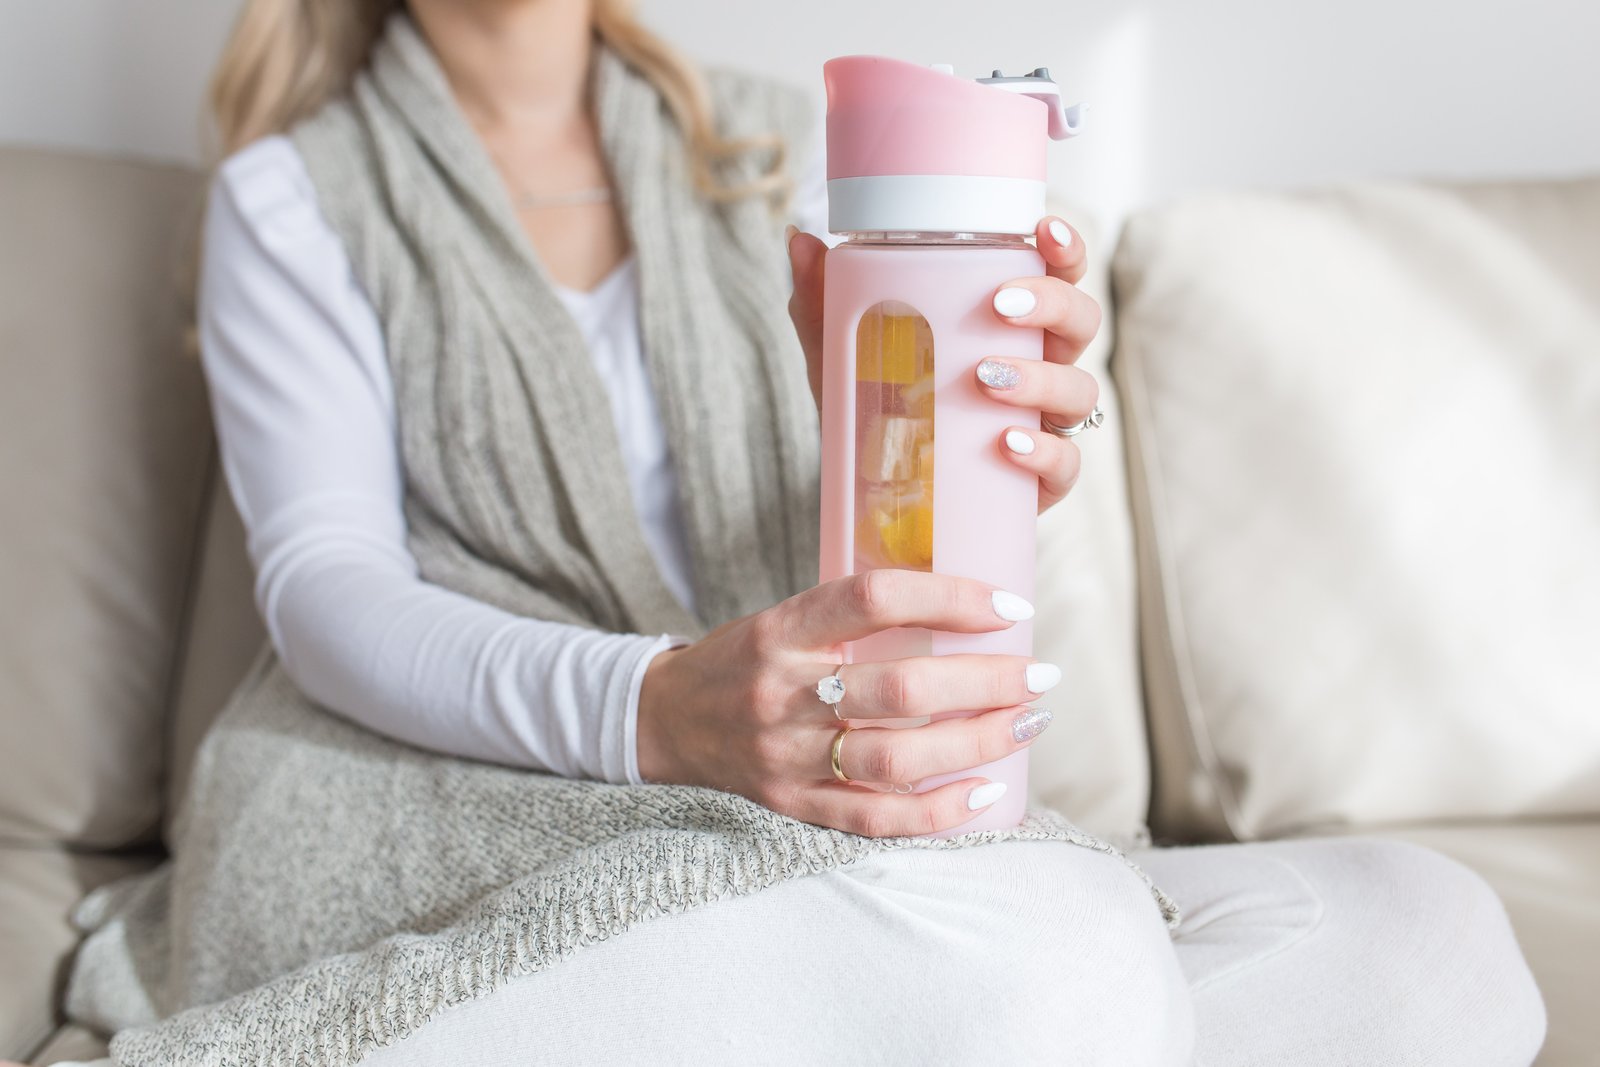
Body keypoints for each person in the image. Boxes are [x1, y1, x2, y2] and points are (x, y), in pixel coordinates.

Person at [46, 1, 1547, 1064]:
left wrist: (991, 440)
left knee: (1431, 941)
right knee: (1055, 953)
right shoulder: (297, 194)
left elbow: (892, 541)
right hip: (435, 786)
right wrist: (662, 709)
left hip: (804, 781)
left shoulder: (786, 153)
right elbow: (325, 595)